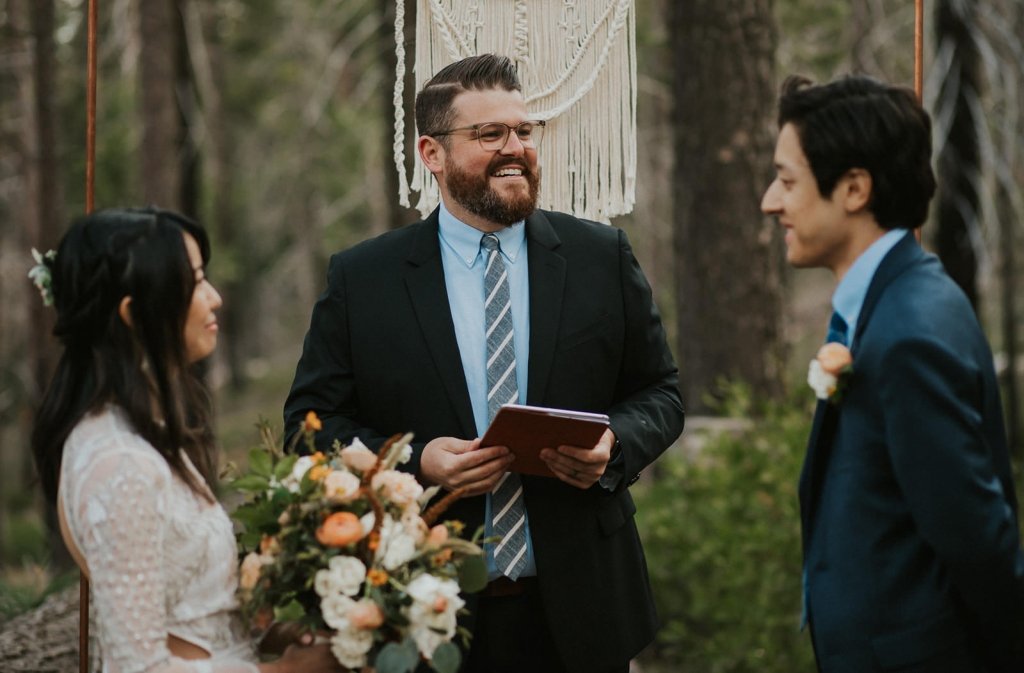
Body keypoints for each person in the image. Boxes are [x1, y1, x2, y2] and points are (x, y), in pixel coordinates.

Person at [284, 54, 684, 673]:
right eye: (490, 134)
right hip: (426, 613)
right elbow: (310, 425)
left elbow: (660, 392)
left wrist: (614, 443)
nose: (515, 148)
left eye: (524, 132)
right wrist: (416, 462)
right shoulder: (364, 279)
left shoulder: (600, 256)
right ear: (431, 153)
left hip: (586, 610)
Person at [761, 74, 1024, 672]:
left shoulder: (908, 334)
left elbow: (977, 540)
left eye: (786, 180)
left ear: (854, 188)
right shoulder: (886, 304)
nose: (770, 202)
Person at [31, 207, 343, 673]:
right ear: (134, 315)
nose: (214, 298)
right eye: (195, 282)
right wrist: (286, 672)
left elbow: (187, 609)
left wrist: (275, 634)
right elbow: (139, 666)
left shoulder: (147, 437)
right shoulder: (118, 464)